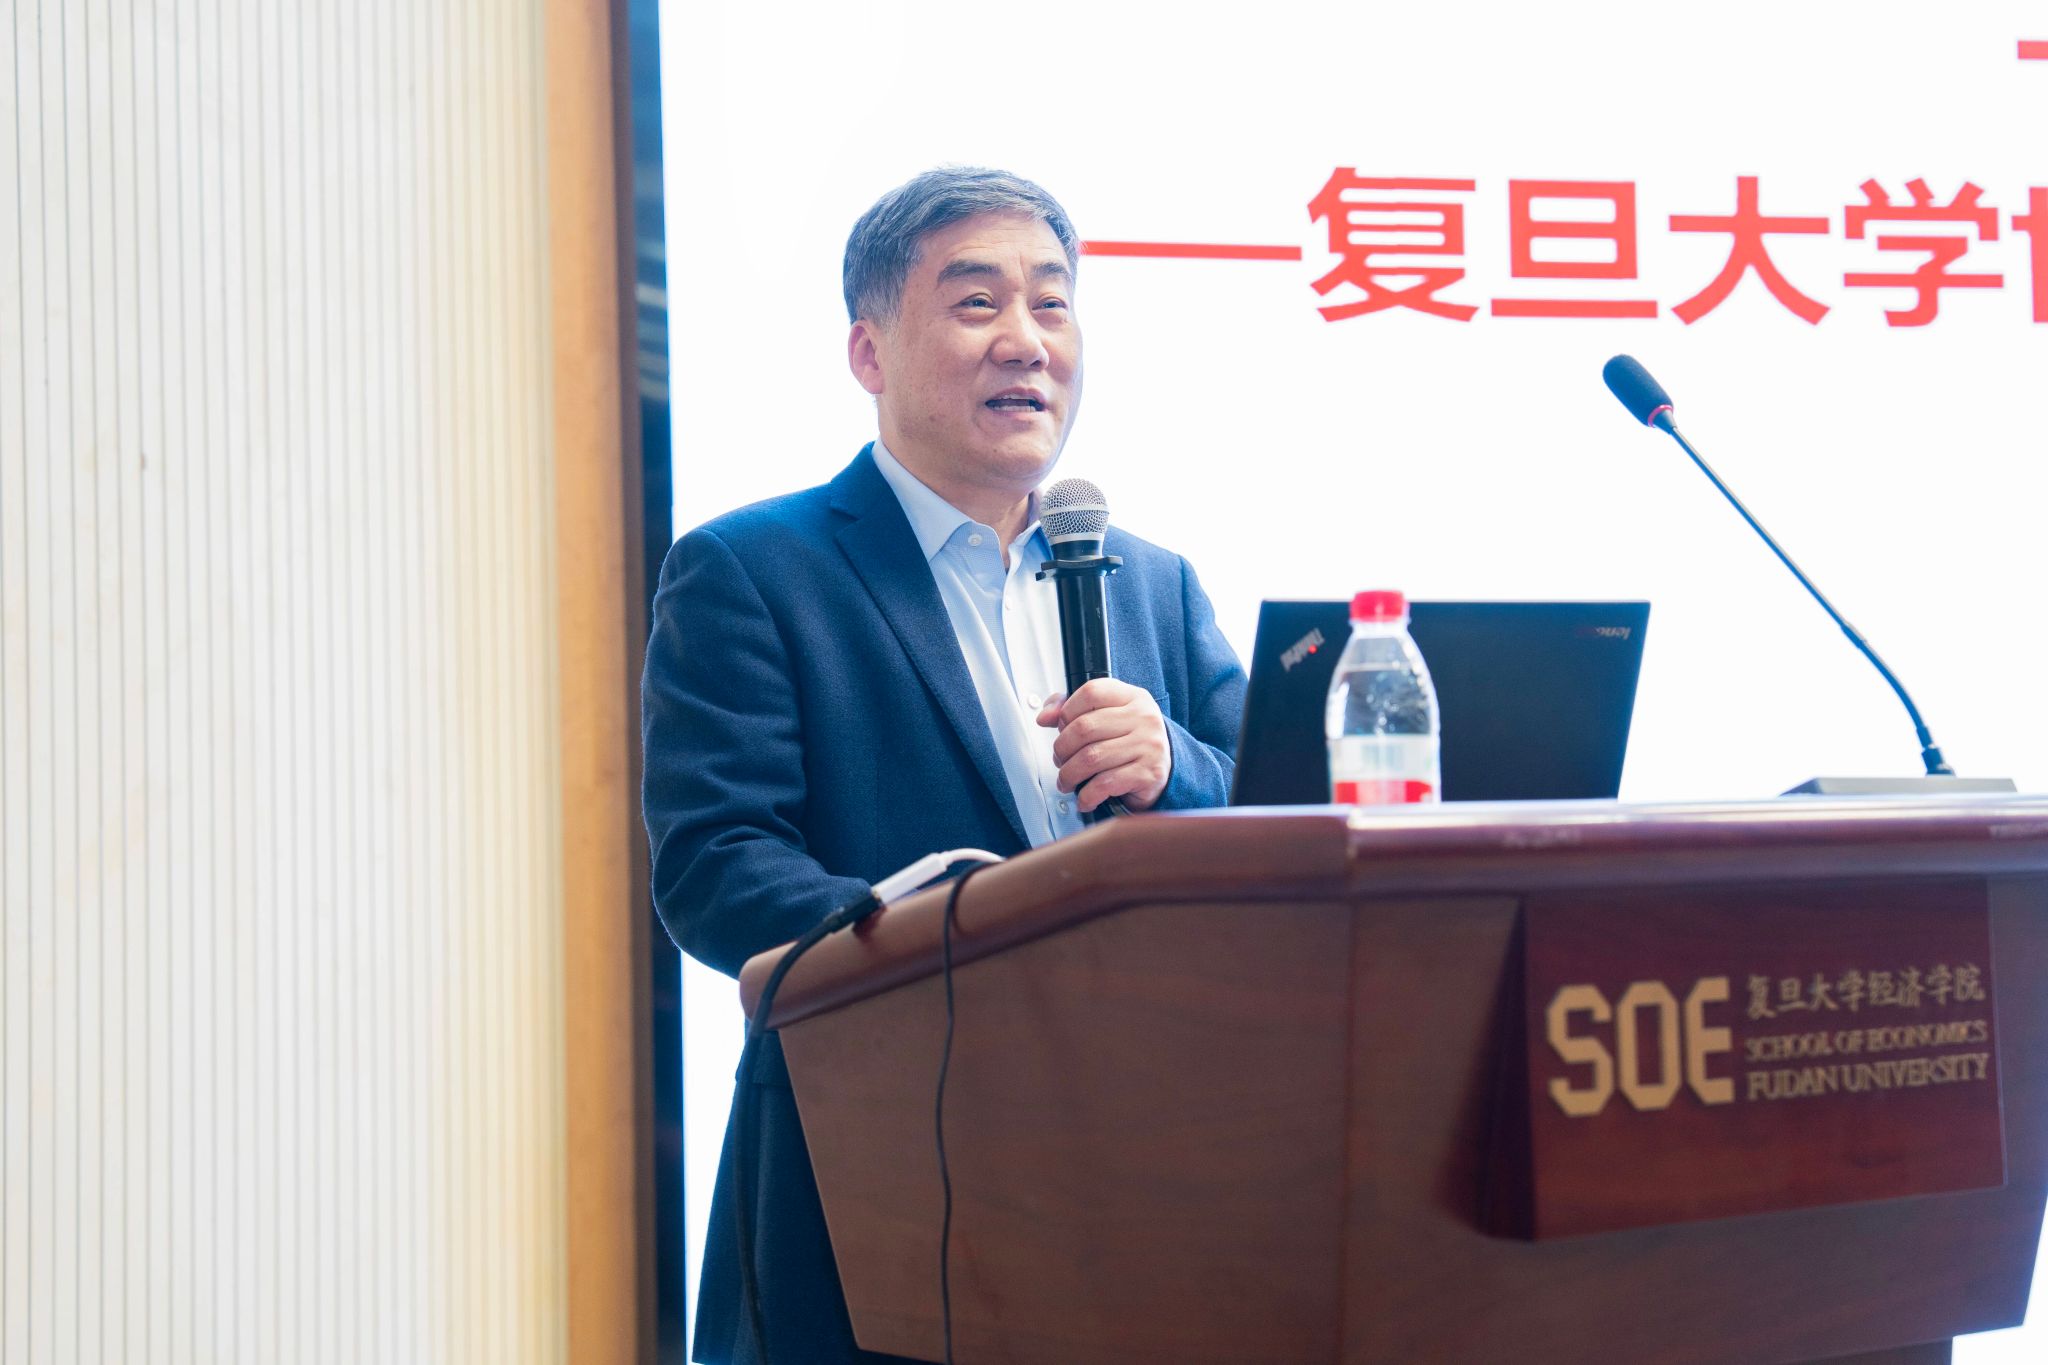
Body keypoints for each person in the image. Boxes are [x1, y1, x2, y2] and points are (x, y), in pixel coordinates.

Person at [642, 166, 1247, 1365]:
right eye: (976, 303)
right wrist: (953, 939)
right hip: (877, 1171)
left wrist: (1173, 765)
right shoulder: (751, 570)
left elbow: (1267, 808)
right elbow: (716, 865)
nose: (1025, 340)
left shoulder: (1151, 580)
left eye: (1051, 303)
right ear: (868, 353)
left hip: (1151, 1163)